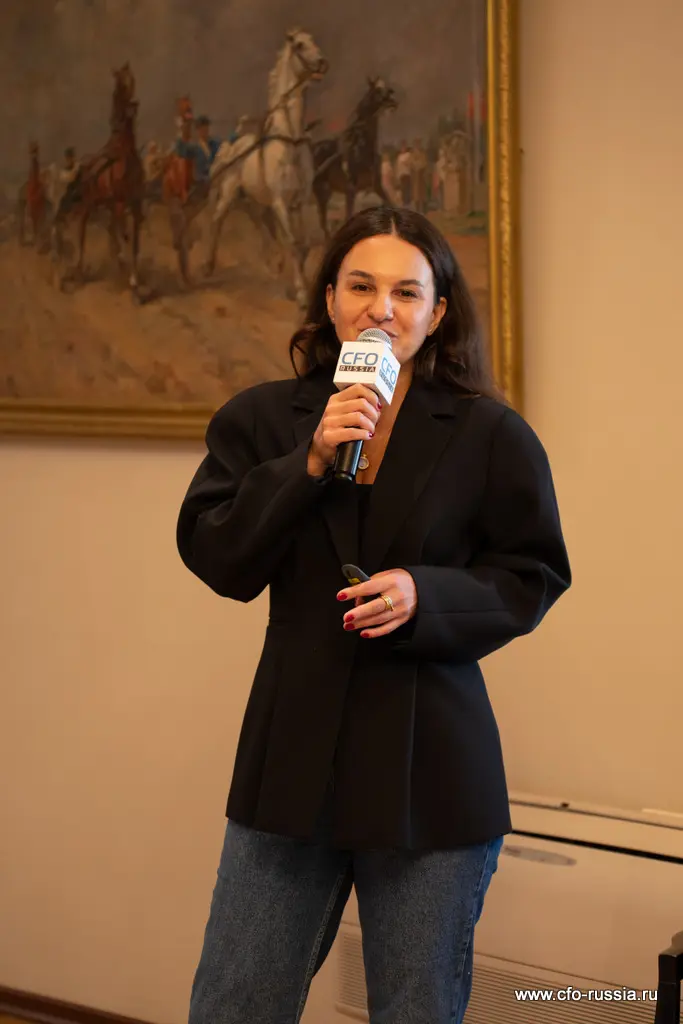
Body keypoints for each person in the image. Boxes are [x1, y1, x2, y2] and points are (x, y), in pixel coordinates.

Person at [176, 205, 571, 1023]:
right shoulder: (263, 420)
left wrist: (427, 594)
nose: (380, 309)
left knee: (414, 1009)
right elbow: (218, 556)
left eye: (405, 292)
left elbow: (531, 573)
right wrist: (310, 460)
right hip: (290, 762)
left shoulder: (489, 434)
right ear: (329, 301)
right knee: (233, 1004)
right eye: (360, 286)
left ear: (437, 313)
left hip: (431, 769)